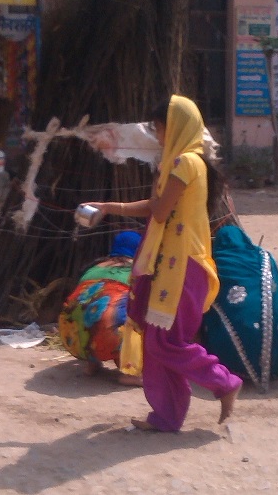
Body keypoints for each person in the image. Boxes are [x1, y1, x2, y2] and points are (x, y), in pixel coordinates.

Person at [84, 95, 242, 431]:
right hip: (172, 264)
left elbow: (158, 210)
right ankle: (167, 416)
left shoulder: (183, 164)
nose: (156, 137)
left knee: (166, 342)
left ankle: (224, 382)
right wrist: (110, 207)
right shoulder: (189, 162)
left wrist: (112, 207)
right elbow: (158, 206)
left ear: (176, 128)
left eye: (159, 129)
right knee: (157, 342)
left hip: (182, 266)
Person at [201, 225, 278, 385]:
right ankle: (276, 365)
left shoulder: (216, 264)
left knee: (209, 309)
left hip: (235, 358)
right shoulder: (264, 257)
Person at [59, 231, 143, 380]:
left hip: (71, 338)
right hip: (108, 338)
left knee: (89, 313)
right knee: (141, 317)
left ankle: (92, 364)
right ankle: (130, 373)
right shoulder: (138, 273)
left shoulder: (93, 268)